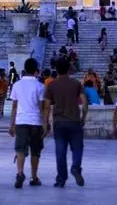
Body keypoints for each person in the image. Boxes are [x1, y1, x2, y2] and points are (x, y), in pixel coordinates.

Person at [44, 58, 88, 188]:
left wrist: (46, 122)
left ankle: (61, 179)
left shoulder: (51, 85)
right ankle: (75, 167)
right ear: (69, 69)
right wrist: (83, 117)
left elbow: (46, 106)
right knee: (78, 148)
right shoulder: (76, 84)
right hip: (74, 120)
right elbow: (85, 103)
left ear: (56, 70)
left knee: (60, 151)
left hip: (59, 122)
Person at [9, 57, 47, 188]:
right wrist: (45, 124)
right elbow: (42, 108)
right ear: (36, 70)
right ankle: (34, 177)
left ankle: (20, 173)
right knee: (35, 150)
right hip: (35, 122)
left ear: (24, 69)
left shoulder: (17, 85)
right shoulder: (40, 86)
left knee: (20, 149)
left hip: (21, 121)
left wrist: (11, 124)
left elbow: (14, 106)